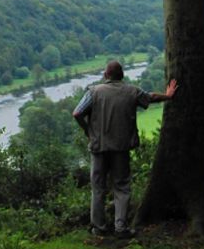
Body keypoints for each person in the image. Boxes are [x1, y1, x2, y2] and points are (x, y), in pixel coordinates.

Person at [73, 60, 178, 239]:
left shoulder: (93, 92)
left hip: (98, 147)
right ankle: (120, 228)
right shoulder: (132, 91)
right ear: (122, 75)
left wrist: (87, 130)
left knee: (98, 188)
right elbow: (150, 97)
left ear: (106, 76)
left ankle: (98, 228)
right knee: (121, 187)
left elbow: (77, 113)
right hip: (121, 148)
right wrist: (168, 96)